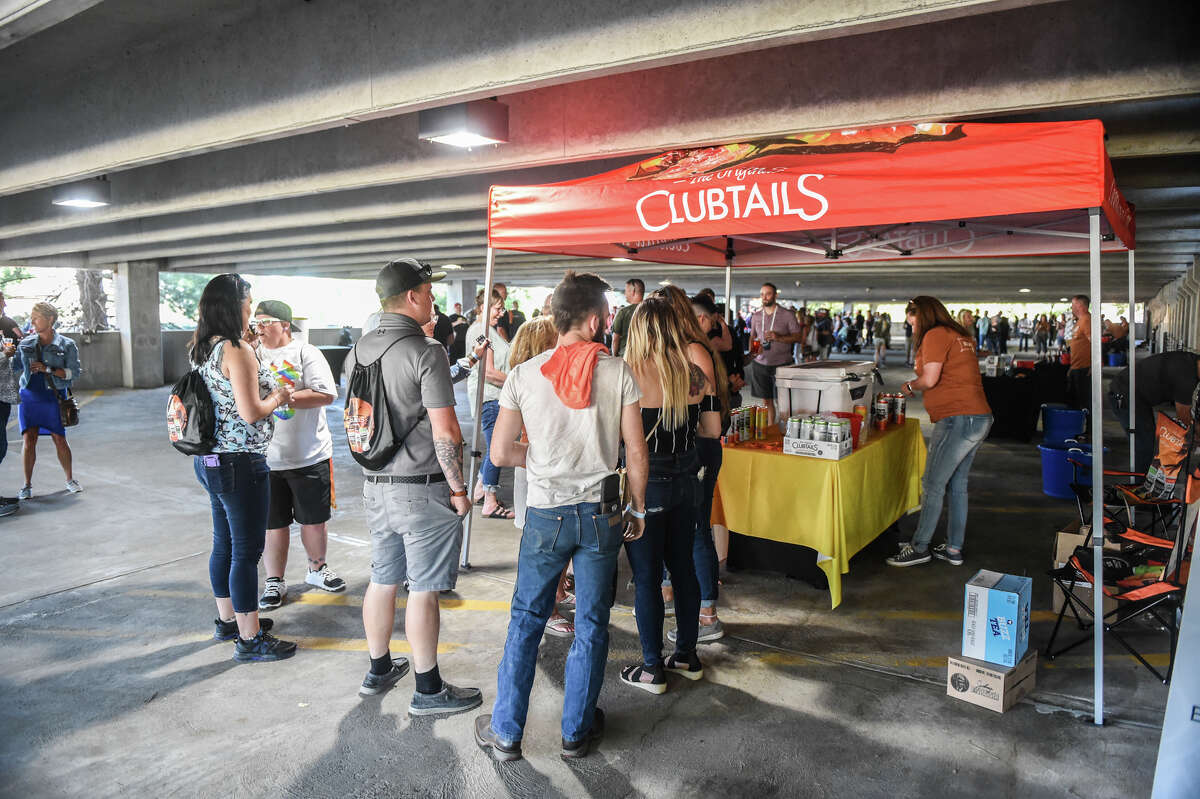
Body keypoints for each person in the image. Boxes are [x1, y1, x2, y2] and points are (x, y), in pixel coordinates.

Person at [474, 271, 647, 762]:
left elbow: (503, 452)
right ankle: (577, 731)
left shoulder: (524, 375)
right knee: (592, 622)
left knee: (526, 620)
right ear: (593, 321)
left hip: (546, 517)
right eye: (608, 315)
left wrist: (548, 459)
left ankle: (506, 732)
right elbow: (635, 450)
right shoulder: (618, 372)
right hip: (601, 515)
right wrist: (638, 506)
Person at [344, 258, 481, 710]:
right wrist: (459, 490)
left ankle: (378, 669)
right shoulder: (426, 351)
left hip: (374, 484)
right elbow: (447, 433)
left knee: (382, 579)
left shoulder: (357, 351)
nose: (434, 299)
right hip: (421, 488)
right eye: (428, 290)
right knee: (422, 588)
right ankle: (428, 689)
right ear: (411, 297)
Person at [189, 275, 297, 661]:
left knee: (225, 544)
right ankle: (250, 640)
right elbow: (252, 412)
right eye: (249, 302)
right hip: (241, 463)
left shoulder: (203, 348)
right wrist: (280, 396)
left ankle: (229, 621)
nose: (252, 309)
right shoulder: (236, 349)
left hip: (211, 460)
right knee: (247, 552)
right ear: (235, 305)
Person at [251, 300, 345, 611]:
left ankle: (317, 569)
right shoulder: (252, 354)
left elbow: (326, 394)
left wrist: (280, 399)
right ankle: (274, 581)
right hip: (266, 457)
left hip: (309, 454)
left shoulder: (306, 352)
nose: (260, 329)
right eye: (256, 323)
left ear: (285, 325)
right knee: (272, 524)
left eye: (266, 322)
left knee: (314, 521)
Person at [887, 296, 993, 568]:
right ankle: (953, 548)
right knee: (957, 484)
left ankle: (920, 546)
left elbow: (930, 379)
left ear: (923, 316)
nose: (912, 330)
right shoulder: (960, 334)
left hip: (958, 418)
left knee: (933, 483)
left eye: (913, 323)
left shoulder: (934, 335)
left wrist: (910, 386)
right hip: (975, 417)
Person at [504, 317, 576, 638]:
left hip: (542, 471)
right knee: (541, 549)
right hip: (535, 472)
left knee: (553, 546)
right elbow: (510, 445)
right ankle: (548, 606)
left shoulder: (531, 378)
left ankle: (556, 595)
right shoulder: (528, 380)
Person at [13, 302, 82, 500]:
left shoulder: (67, 345)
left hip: (52, 396)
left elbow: (73, 373)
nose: (31, 321)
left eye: (36, 317)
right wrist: (8, 354)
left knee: (59, 439)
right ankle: (26, 485)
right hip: (28, 396)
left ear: (50, 319)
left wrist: (47, 369)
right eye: (31, 317)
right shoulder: (26, 343)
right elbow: (14, 366)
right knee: (29, 440)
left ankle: (70, 480)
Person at [1109, 351, 1200, 474]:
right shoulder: (1187, 377)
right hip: (1126, 394)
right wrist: (1196, 434)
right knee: (1144, 444)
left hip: (1136, 395)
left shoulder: (1190, 360)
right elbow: (1184, 416)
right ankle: (1140, 484)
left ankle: (1143, 481)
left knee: (1147, 439)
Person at [467, 290, 514, 519]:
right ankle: (490, 501)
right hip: (490, 398)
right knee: (497, 450)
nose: (501, 313)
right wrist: (518, 380)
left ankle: (479, 491)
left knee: (494, 448)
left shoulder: (489, 331)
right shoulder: (479, 331)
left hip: (495, 398)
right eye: (497, 308)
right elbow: (489, 372)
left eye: (502, 308)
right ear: (484, 306)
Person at [747, 283, 803, 424]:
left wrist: (779, 338)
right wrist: (753, 352)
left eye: (768, 294)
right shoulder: (756, 316)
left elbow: (798, 337)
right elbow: (752, 336)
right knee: (766, 400)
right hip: (761, 363)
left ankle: (784, 431)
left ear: (775, 295)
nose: (764, 297)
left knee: (782, 400)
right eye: (762, 294)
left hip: (782, 364)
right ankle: (771, 428)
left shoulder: (787, 315)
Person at [1067, 295, 1092, 413]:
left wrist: (1094, 365)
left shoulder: (1087, 320)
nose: (1072, 307)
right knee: (1076, 400)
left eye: (1073, 304)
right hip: (1076, 366)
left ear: (1080, 306)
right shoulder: (1080, 321)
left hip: (1084, 368)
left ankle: (1089, 429)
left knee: (1084, 401)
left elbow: (1095, 343)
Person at [610, 278, 644, 357]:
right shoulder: (651, 311)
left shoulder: (623, 312)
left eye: (626, 291)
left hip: (626, 357)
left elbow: (615, 339)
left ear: (633, 292)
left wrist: (614, 357)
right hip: (646, 359)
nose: (625, 294)